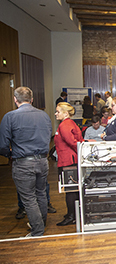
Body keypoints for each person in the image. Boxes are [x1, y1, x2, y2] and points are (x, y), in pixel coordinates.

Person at [0, 86, 52, 237]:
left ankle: (37, 230)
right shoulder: (44, 116)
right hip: (42, 161)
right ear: (32, 99)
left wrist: (9, 154)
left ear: (15, 100)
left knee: (28, 198)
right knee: (41, 194)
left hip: (23, 162)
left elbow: (2, 145)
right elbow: (48, 137)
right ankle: (41, 223)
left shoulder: (10, 117)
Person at [54, 102, 84, 226]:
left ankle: (72, 216)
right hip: (69, 160)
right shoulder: (68, 124)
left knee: (70, 190)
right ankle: (73, 214)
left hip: (69, 161)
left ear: (66, 113)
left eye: (58, 111)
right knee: (72, 189)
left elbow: (72, 142)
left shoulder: (65, 125)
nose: (56, 114)